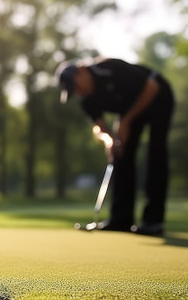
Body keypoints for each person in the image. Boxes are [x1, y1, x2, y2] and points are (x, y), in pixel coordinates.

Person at [56, 57, 175, 236]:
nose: (78, 92)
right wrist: (109, 141)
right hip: (129, 110)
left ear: (81, 71)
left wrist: (126, 121)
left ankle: (153, 221)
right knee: (121, 152)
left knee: (156, 153)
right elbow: (99, 128)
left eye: (76, 86)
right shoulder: (86, 99)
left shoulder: (110, 67)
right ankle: (121, 219)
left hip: (157, 97)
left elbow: (151, 87)